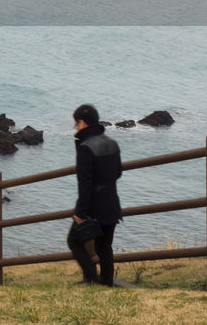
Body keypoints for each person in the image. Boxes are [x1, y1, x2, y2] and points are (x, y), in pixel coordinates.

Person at [68, 103, 122, 286]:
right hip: (112, 203)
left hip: (93, 207)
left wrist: (80, 213)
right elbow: (118, 173)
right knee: (104, 246)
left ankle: (91, 278)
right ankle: (106, 283)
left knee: (74, 241)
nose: (75, 127)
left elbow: (85, 183)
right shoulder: (112, 143)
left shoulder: (85, 147)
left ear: (82, 122)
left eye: (76, 123)